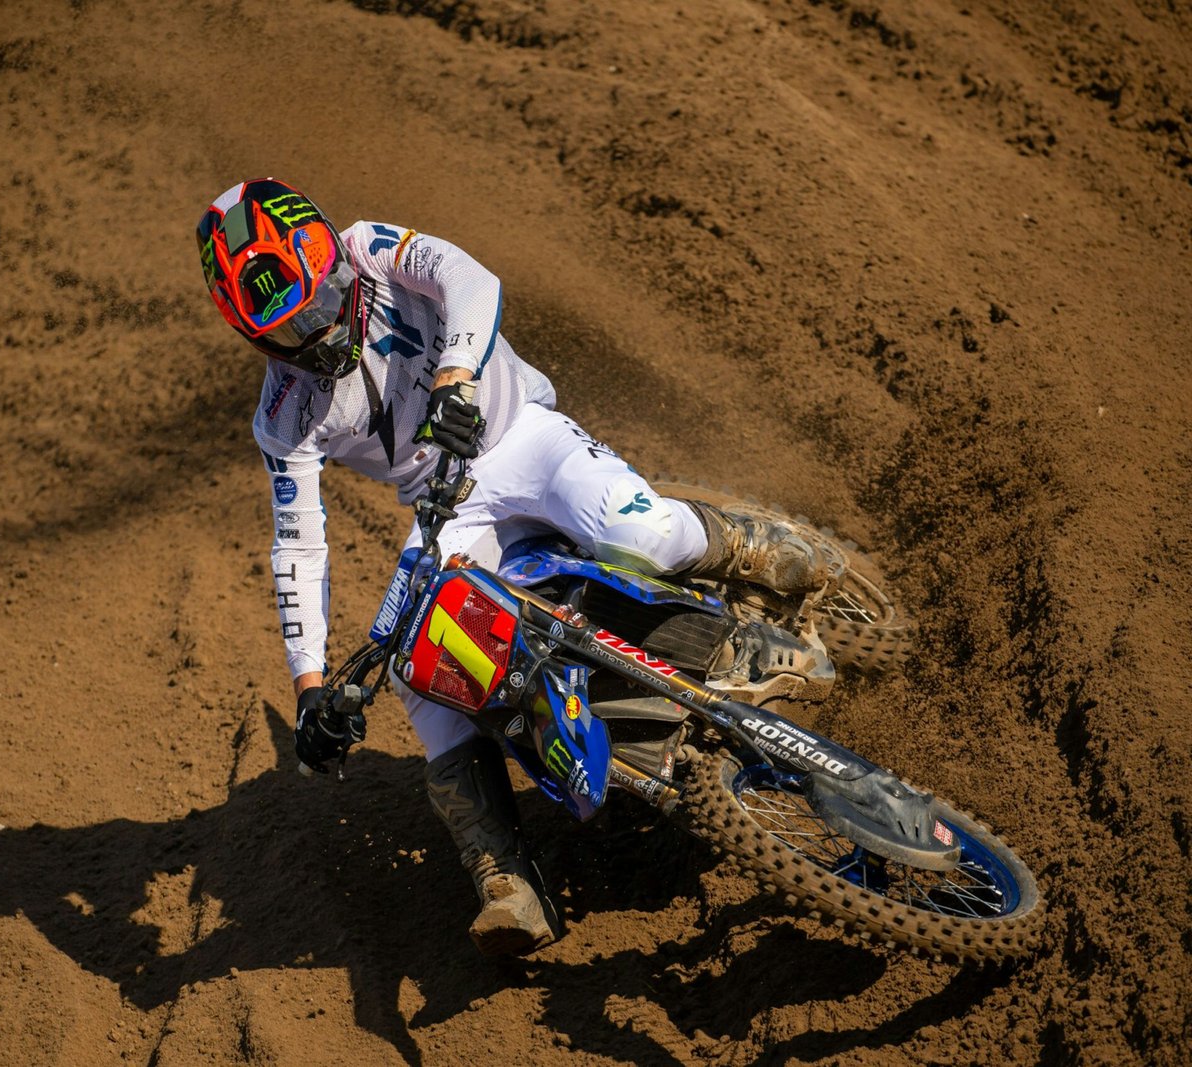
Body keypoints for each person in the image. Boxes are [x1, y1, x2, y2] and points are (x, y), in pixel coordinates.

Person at [196, 178, 838, 957]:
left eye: (325, 296)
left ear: (333, 254)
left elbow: (469, 279)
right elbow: (298, 545)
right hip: (450, 508)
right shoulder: (282, 417)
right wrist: (308, 690)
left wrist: (455, 376)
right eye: (293, 325)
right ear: (255, 338)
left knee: (642, 532)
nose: (322, 325)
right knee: (416, 668)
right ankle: (502, 872)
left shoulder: (373, 247)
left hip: (519, 435)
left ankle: (749, 546)